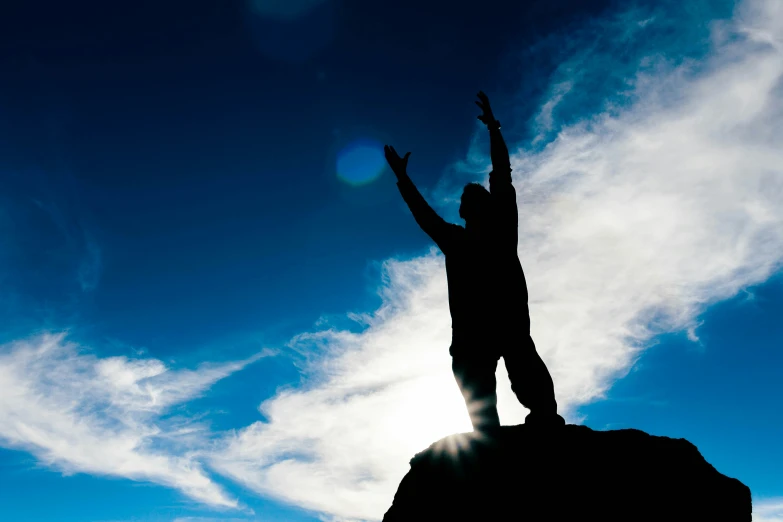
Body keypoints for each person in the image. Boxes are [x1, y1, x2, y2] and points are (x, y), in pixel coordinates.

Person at [384, 91, 563, 431]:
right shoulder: (455, 239)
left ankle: (544, 419)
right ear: (463, 210)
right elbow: (423, 215)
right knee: (474, 385)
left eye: (477, 196)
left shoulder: (503, 231)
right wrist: (403, 180)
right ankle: (488, 438)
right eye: (467, 197)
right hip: (471, 333)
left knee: (527, 372)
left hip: (508, 323)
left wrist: (494, 128)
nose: (471, 199)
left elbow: (502, 173)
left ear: (487, 206)